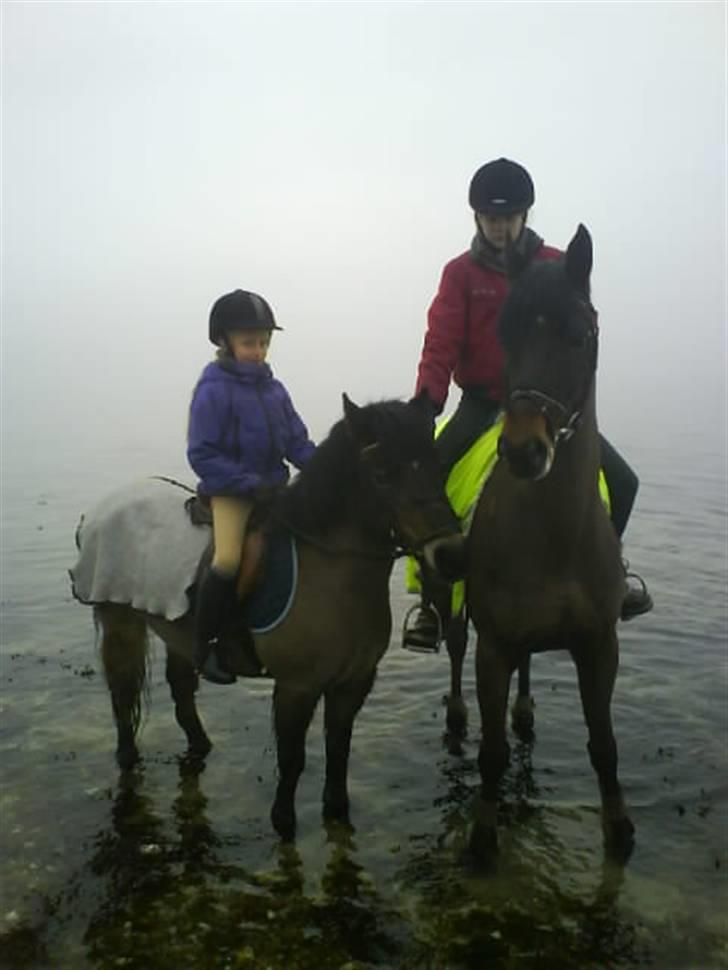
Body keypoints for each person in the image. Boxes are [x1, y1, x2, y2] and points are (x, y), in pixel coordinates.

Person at [403, 157, 653, 652]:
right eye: (491, 219)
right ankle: (434, 605)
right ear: (477, 218)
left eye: (509, 217)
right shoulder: (460, 274)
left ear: (525, 216)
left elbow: (578, 324)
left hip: (548, 408)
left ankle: (611, 578)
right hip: (482, 402)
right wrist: (428, 401)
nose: (500, 228)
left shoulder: (556, 265)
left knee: (623, 482)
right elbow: (442, 340)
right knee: (427, 480)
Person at [187, 289, 316, 683]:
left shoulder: (275, 390)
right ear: (225, 342)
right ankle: (205, 644)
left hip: (274, 488)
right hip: (231, 492)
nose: (258, 350)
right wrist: (247, 483)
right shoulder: (213, 390)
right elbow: (202, 453)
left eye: (263, 342)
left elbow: (296, 441)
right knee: (228, 560)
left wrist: (327, 469)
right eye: (249, 343)